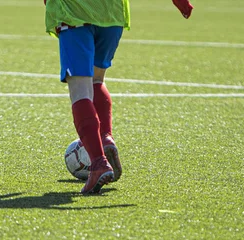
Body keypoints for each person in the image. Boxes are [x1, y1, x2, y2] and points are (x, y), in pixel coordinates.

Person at [45, 0, 193, 194]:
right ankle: (105, 137)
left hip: (74, 11)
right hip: (112, 15)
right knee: (97, 79)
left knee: (80, 90)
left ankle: (98, 164)